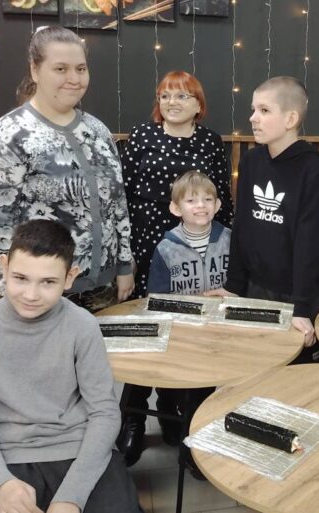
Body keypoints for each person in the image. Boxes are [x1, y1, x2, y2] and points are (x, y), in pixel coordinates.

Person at [0, 220, 141, 513]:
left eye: (48, 282)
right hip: (11, 456)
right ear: (4, 266)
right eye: (20, 278)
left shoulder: (83, 325)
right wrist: (0, 483)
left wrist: (71, 497)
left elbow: (104, 413)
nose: (31, 295)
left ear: (69, 278)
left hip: (82, 448)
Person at [0, 25, 134, 312]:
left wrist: (124, 265)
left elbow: (118, 203)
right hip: (42, 295)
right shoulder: (8, 136)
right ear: (35, 70)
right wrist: (12, 294)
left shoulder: (98, 130)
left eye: (81, 69)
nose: (74, 78)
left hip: (104, 288)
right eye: (61, 69)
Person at [208, 76, 319, 361]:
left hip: (298, 296)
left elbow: (311, 243)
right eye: (253, 109)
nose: (253, 118)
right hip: (255, 289)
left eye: (264, 110)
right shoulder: (251, 162)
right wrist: (234, 286)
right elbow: (243, 226)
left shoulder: (311, 170)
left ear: (291, 119)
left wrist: (301, 308)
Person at [117, 171, 230, 468]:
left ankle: (193, 444)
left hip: (216, 333)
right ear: (176, 208)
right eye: (191, 200)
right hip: (179, 331)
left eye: (207, 199)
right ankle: (149, 422)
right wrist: (196, 304)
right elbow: (157, 300)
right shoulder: (166, 248)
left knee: (202, 390)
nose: (201, 205)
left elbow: (239, 285)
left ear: (218, 205)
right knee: (168, 378)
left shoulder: (230, 240)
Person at [122, 70, 234, 298]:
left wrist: (227, 241)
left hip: (197, 232)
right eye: (165, 96)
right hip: (147, 232)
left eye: (182, 96)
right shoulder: (142, 134)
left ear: (198, 105)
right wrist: (124, 252)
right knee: (151, 299)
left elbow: (221, 193)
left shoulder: (211, 141)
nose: (171, 102)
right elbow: (123, 191)